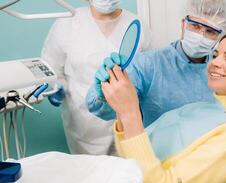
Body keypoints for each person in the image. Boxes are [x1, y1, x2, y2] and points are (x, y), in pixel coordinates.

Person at [99, 32, 226, 183]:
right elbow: (131, 152)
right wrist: (122, 110)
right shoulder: (201, 108)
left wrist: (131, 113)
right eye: (215, 55)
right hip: (122, 182)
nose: (214, 63)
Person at [86, 0, 226, 127]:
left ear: (220, 36)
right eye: (195, 26)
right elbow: (108, 110)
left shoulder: (224, 71)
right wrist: (104, 95)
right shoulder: (148, 65)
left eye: (210, 31)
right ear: (183, 24)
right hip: (156, 155)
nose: (201, 36)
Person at [41, 0, 149, 154]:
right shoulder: (67, 24)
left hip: (125, 122)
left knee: (126, 173)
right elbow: (51, 69)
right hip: (82, 125)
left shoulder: (137, 25)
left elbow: (149, 73)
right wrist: (57, 87)